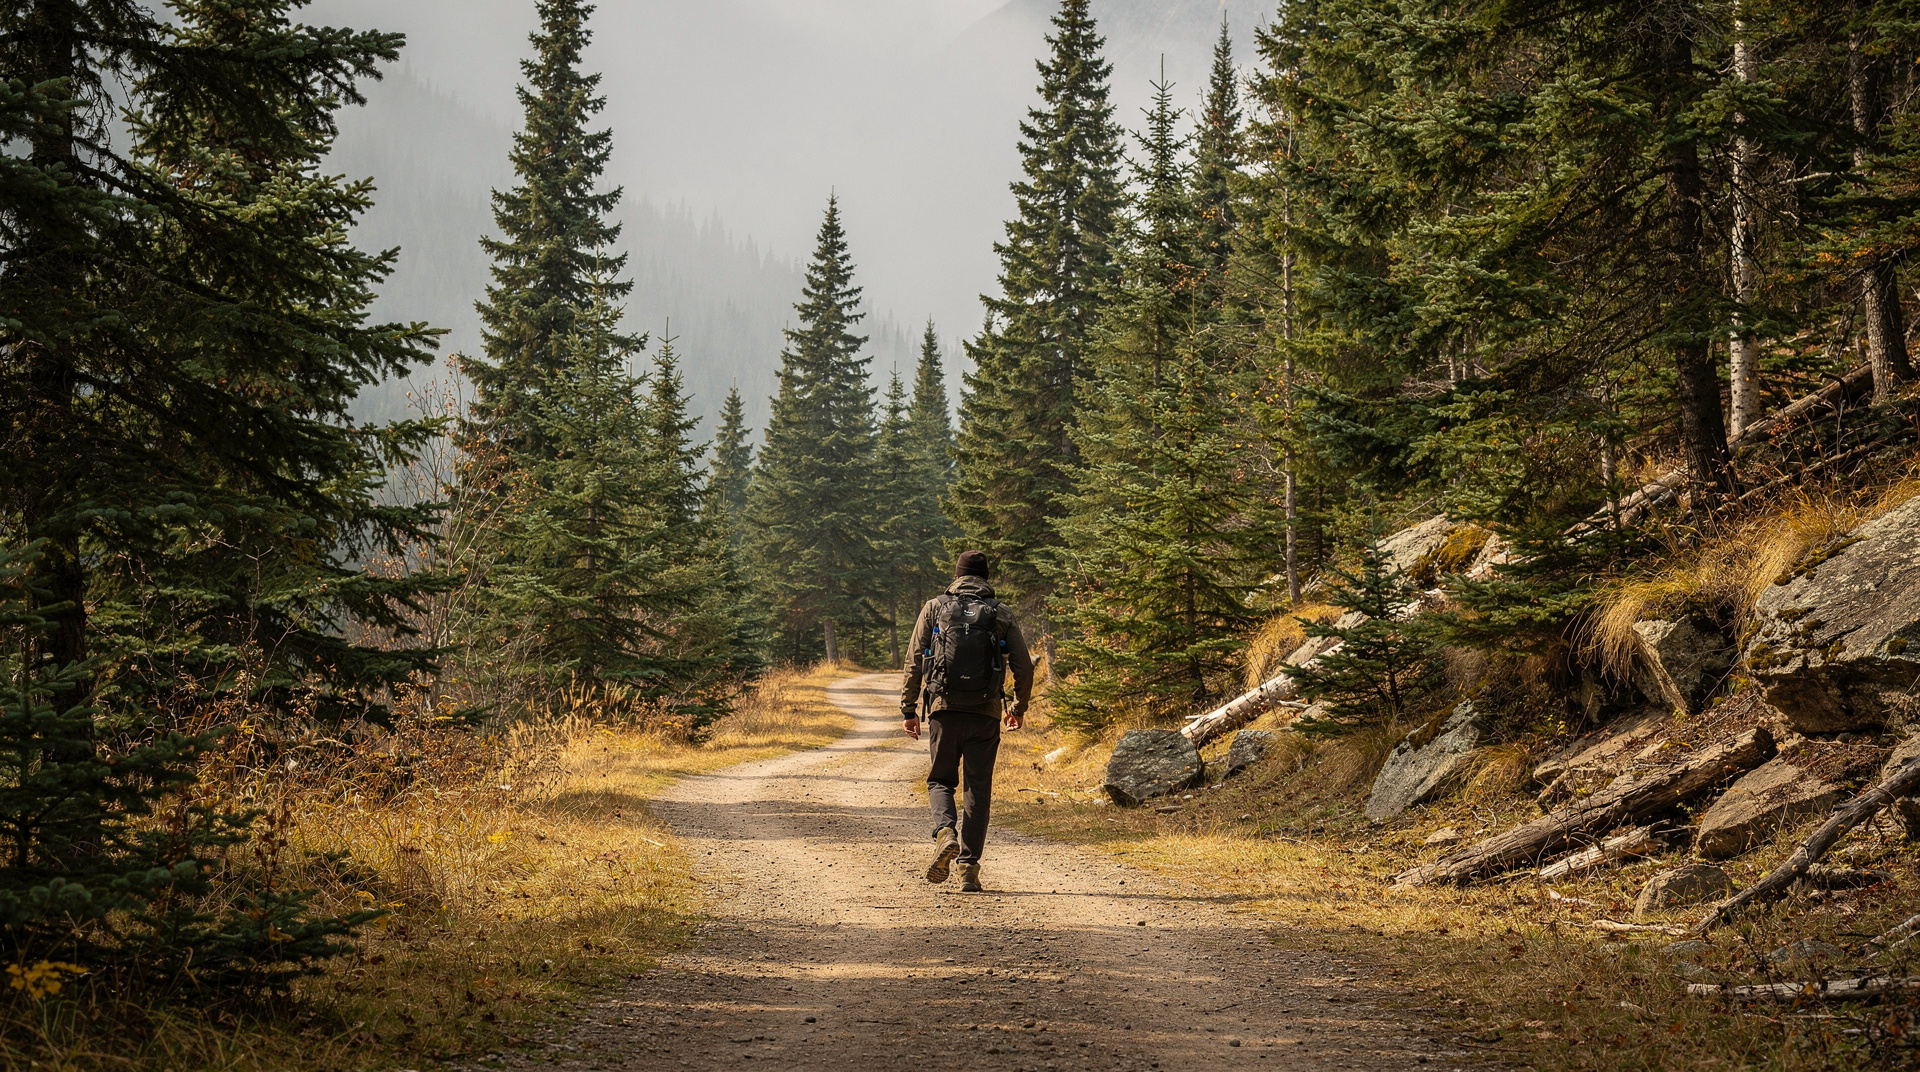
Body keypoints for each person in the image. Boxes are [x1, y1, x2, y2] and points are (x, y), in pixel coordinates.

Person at [900, 550, 1035, 892]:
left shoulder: (935, 607)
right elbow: (1024, 667)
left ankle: (946, 833)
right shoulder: (1000, 612)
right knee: (978, 788)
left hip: (944, 708)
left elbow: (914, 659)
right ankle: (969, 869)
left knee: (940, 780)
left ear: (957, 575)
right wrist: (1017, 709)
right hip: (985, 712)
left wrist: (909, 709)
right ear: (986, 577)